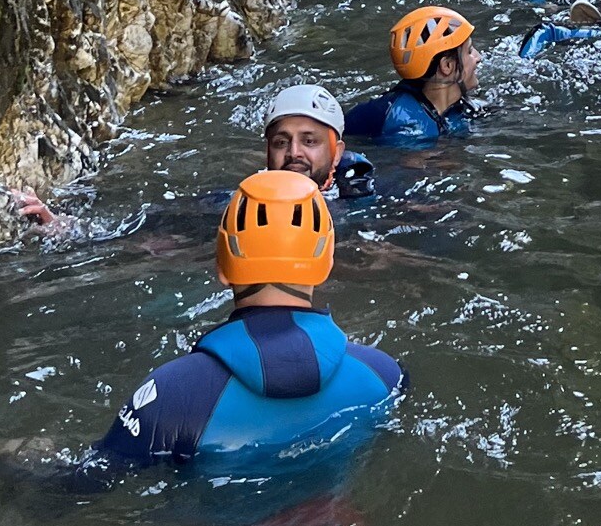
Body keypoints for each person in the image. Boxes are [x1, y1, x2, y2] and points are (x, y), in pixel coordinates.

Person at [91, 174, 405, 469]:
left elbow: (83, 487)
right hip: (343, 525)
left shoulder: (169, 395)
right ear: (326, 264)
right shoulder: (384, 375)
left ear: (222, 267)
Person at [345, 8, 480, 145]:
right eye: (469, 51)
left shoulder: (464, 109)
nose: (478, 57)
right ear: (447, 66)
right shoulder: (406, 127)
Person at [264, 82, 379, 202]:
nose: (294, 153)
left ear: (337, 153)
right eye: (281, 142)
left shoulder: (361, 194)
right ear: (267, 151)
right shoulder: (249, 196)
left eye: (309, 141)